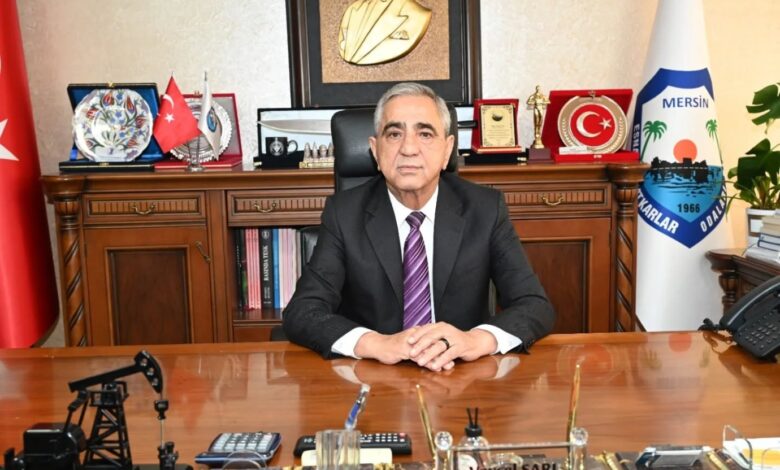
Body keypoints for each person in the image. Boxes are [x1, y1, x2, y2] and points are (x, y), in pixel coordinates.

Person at [283, 82, 554, 371]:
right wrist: (375, 344)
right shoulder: (344, 214)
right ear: (375, 150)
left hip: (462, 376)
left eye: (425, 134)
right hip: (375, 376)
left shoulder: (484, 209)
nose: (408, 148)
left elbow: (534, 305)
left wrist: (475, 341)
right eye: (394, 134)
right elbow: (303, 311)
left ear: (447, 149)